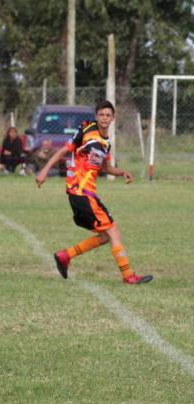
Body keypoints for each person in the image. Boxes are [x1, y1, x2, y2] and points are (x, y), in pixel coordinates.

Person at [36, 100, 152, 285]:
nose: (104, 118)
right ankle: (128, 276)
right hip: (81, 193)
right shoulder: (86, 129)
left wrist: (122, 172)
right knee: (113, 232)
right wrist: (44, 171)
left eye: (108, 115)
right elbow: (63, 151)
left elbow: (106, 168)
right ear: (96, 116)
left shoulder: (106, 143)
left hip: (87, 195)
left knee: (107, 235)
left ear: (113, 118)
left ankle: (65, 256)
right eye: (101, 115)